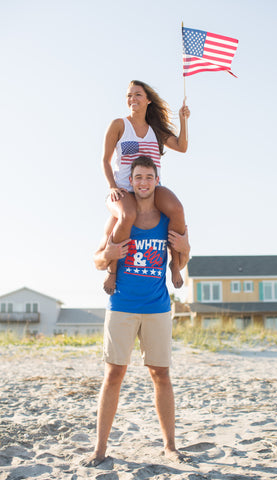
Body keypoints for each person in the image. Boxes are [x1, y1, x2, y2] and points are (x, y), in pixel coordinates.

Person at [83, 156, 190, 467]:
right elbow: (96, 258)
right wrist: (108, 254)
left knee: (161, 375)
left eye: (148, 177)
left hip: (157, 306)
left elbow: (184, 252)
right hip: (122, 305)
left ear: (156, 181)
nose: (143, 183)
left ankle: (170, 446)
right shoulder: (118, 220)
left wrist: (185, 247)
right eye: (137, 178)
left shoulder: (167, 218)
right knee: (114, 373)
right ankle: (100, 449)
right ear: (131, 182)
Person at [102, 80, 190, 295]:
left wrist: (183, 120)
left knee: (177, 209)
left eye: (137, 95)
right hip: (123, 189)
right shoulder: (119, 125)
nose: (132, 99)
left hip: (152, 189)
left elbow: (182, 147)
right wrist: (112, 186)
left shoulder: (156, 130)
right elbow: (105, 160)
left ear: (148, 100)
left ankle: (175, 265)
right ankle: (112, 272)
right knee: (127, 215)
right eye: (129, 95)